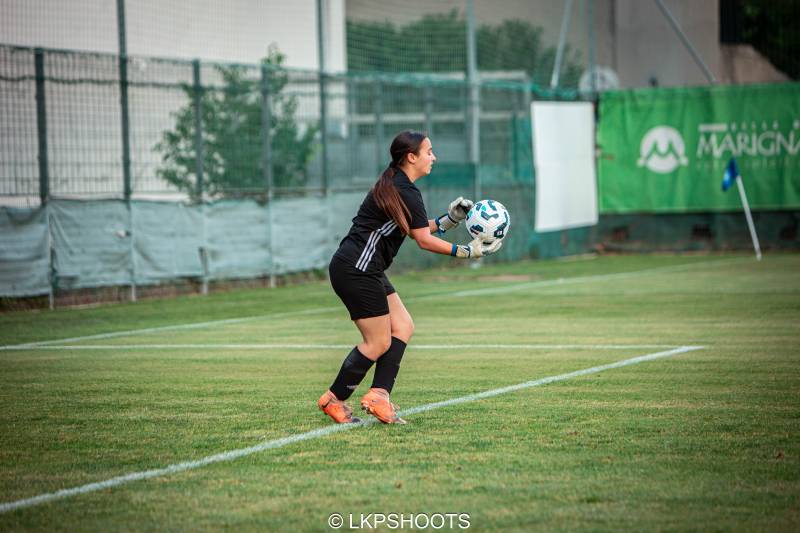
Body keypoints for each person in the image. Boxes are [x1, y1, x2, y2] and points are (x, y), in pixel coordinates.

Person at [318, 130, 502, 424]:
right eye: (429, 152)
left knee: (403, 326)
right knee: (377, 342)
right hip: (357, 268)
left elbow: (416, 229)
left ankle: (379, 396)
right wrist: (467, 252)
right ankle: (333, 399)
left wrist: (451, 219)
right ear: (411, 157)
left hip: (364, 267)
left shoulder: (398, 183)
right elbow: (423, 240)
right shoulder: (403, 189)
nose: (434, 157)